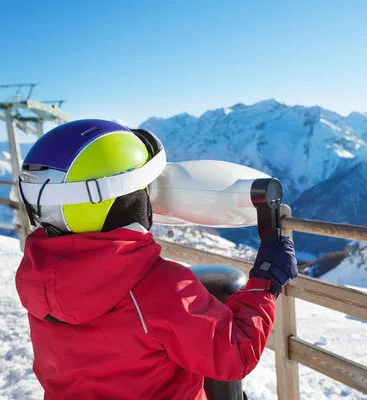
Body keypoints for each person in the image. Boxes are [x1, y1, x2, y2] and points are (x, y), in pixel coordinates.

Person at [15, 119, 298, 399]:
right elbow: (233, 355)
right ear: (128, 200)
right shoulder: (159, 287)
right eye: (144, 189)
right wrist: (266, 281)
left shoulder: (39, 275)